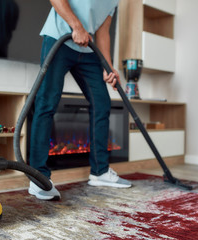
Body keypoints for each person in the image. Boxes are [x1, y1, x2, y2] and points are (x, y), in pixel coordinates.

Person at [28, 0, 132, 201]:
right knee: (47, 102)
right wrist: (76, 26)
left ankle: (100, 172)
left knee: (102, 102)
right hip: (60, 38)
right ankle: (38, 177)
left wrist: (107, 66)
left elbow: (102, 30)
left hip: (88, 49)